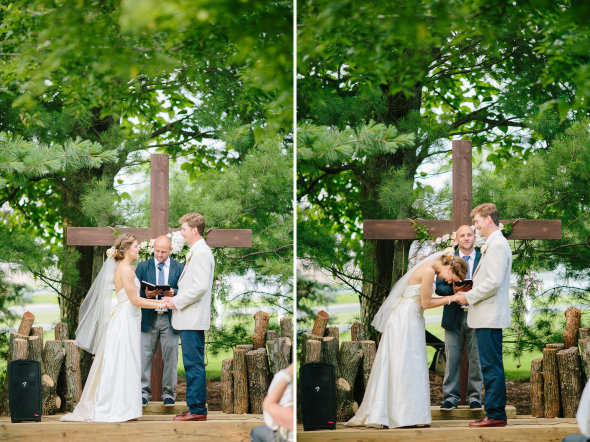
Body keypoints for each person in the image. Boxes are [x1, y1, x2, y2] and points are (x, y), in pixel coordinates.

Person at [345, 250, 468, 429]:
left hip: (412, 318)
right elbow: (426, 303)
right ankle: (400, 416)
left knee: (411, 365)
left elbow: (423, 300)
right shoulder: (427, 271)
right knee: (403, 364)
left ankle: (409, 415)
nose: (449, 282)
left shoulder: (430, 270)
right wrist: (453, 298)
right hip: (405, 320)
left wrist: (451, 297)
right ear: (450, 267)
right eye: (452, 279)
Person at [60, 234, 166, 422]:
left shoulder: (126, 268)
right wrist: (160, 305)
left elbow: (131, 294)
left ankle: (126, 408)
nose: (138, 248)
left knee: (127, 361)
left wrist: (148, 294)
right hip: (125, 319)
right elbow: (133, 300)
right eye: (135, 246)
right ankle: (118, 408)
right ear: (126, 250)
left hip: (129, 318)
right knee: (124, 361)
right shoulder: (125, 270)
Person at [456, 203, 512, 428]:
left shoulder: (497, 244)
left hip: (489, 315)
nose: (475, 225)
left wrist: (467, 297)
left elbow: (493, 282)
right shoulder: (494, 243)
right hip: (487, 315)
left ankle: (496, 414)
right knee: (490, 365)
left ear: (488, 219)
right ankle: (494, 412)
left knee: (491, 366)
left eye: (477, 221)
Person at [164, 213, 215, 422]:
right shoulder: (196, 251)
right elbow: (193, 285)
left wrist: (177, 302)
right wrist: (176, 294)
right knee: (192, 364)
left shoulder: (201, 252)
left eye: (183, 229)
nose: (181, 233)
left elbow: (200, 287)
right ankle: (195, 408)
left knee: (193, 365)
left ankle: (197, 410)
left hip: (192, 319)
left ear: (194, 230)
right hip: (189, 318)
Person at [435, 225, 483, 411]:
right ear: (457, 239)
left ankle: (474, 398)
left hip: (477, 314)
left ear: (474, 237)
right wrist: (455, 290)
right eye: (462, 235)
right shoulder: (448, 258)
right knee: (452, 358)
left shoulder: (482, 257)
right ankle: (451, 398)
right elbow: (439, 287)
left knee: (476, 359)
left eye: (469, 234)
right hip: (453, 315)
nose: (465, 238)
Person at [136, 235, 184, 407]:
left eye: (163, 252)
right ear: (153, 249)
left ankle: (169, 394)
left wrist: (174, 292)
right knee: (144, 356)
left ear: (171, 250)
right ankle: (143, 393)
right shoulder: (142, 267)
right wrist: (146, 294)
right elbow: (134, 291)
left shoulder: (180, 268)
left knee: (171, 357)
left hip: (170, 318)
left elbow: (186, 290)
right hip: (149, 317)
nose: (160, 254)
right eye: (157, 251)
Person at [250, 363, 294, 442]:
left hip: (285, 437)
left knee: (255, 432)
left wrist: (287, 377)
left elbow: (268, 408)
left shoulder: (282, 376)